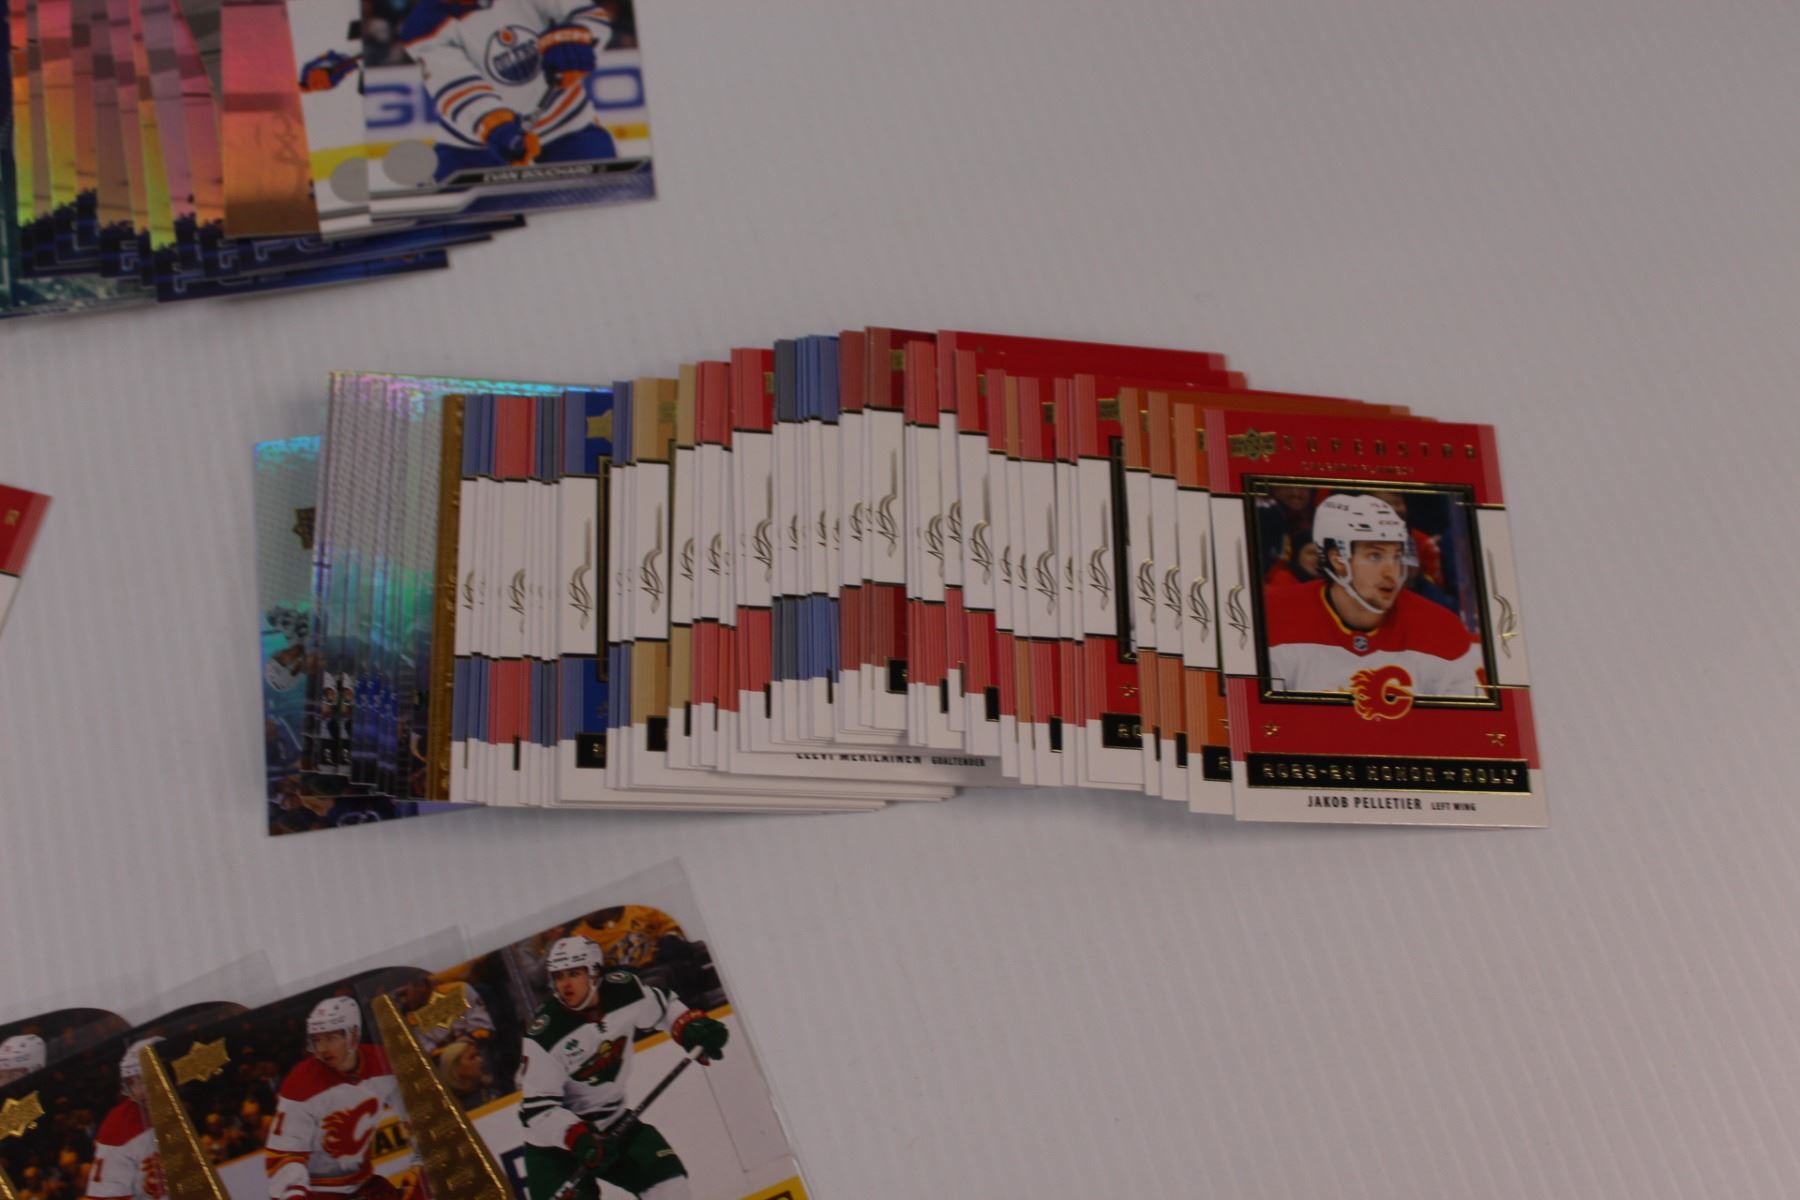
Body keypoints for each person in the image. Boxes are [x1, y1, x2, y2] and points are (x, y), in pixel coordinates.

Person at [518, 937, 728, 1200]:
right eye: (558, 977)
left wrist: (688, 1026)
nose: (565, 984)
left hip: (614, 1123)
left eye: (574, 973)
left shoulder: (623, 990)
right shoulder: (545, 1035)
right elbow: (538, 1110)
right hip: (556, 1149)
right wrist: (578, 1138)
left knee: (670, 1187)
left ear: (595, 972)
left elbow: (664, 1007)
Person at [1263, 493, 1484, 705]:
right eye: (1375, 556)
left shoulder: (1441, 628)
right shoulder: (1274, 614)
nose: (1391, 573)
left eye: (1396, 556)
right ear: (1338, 559)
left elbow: (1466, 724)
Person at [397, 0, 622, 180]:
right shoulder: (425, 25)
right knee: (448, 211)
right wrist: (496, 127)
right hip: (474, 147)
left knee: (600, 203)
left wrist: (577, 40)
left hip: (568, 126)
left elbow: (587, 14)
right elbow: (458, 86)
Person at [264, 999, 406, 1200]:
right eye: (317, 1040)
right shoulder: (302, 1082)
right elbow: (283, 1155)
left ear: (353, 1034)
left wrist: (421, 1169)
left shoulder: (381, 1061)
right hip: (318, 1192)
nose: (322, 1048)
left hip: (364, 1183)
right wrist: (293, 1194)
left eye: (331, 1038)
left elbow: (420, 1116)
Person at [85, 1040, 163, 1200]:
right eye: (132, 1083)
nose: (138, 1091)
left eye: (142, 1080)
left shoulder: (188, 1102)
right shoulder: (118, 1126)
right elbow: (107, 1195)